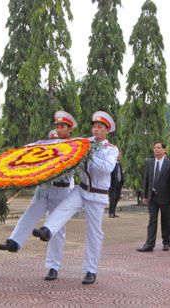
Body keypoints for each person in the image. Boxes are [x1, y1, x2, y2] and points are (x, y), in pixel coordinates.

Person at [33, 111, 118, 285]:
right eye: (94, 126)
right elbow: (64, 147)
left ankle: (90, 270)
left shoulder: (112, 150)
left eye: (100, 127)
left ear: (106, 131)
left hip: (97, 194)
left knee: (94, 233)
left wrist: (88, 155)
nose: (95, 130)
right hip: (81, 189)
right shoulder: (83, 143)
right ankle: (47, 230)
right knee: (63, 207)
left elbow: (108, 168)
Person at [0, 111, 76, 281]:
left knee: (58, 229)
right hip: (43, 189)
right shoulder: (46, 145)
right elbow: (28, 148)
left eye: (63, 127)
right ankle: (14, 242)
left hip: (60, 191)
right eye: (57, 127)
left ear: (70, 129)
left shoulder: (75, 146)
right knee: (29, 214)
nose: (59, 130)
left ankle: (53, 267)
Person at [137, 142, 170, 252]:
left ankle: (166, 242)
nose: (156, 150)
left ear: (164, 149)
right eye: (155, 148)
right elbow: (147, 179)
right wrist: (145, 195)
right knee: (152, 221)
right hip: (152, 197)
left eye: (159, 148)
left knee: (165, 220)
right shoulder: (150, 163)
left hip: (165, 197)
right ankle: (149, 244)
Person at [108, 151, 124, 218]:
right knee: (113, 198)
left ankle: (113, 212)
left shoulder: (119, 164)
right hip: (112, 184)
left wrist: (122, 181)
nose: (119, 156)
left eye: (120, 155)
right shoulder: (112, 164)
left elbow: (120, 173)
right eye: (118, 154)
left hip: (119, 183)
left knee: (117, 197)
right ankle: (110, 212)